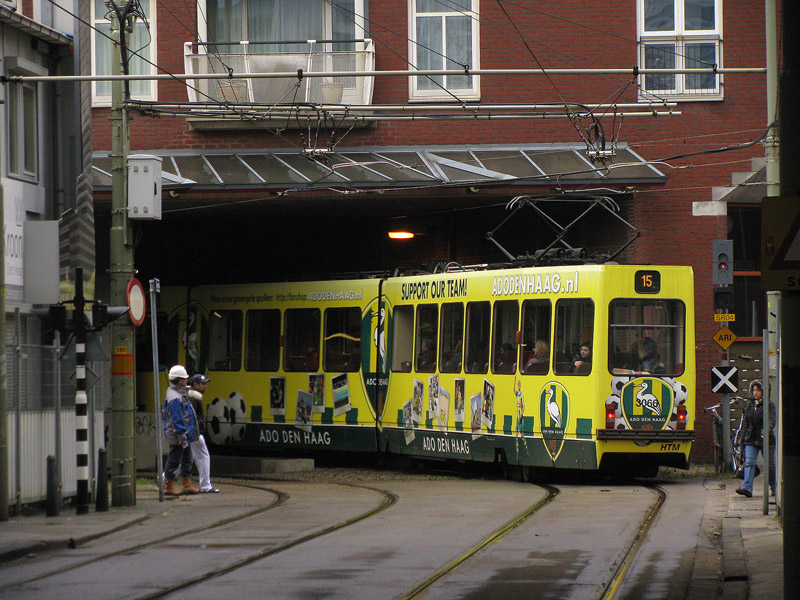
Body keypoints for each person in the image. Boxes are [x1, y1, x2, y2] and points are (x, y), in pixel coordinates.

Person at [736, 380, 776, 498]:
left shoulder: (769, 405)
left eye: (758, 390)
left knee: (770, 465)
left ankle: (774, 487)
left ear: (764, 391)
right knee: (749, 462)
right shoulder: (749, 405)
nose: (756, 393)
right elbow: (746, 423)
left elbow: (771, 420)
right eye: (754, 390)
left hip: (766, 438)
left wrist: (766, 430)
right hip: (751, 438)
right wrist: (742, 440)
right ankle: (747, 487)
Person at [163, 365, 199, 496]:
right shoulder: (174, 397)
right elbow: (176, 419)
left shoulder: (177, 393)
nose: (186, 381)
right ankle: (169, 485)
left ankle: (186, 484)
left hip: (184, 434)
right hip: (179, 435)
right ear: (178, 380)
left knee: (186, 458)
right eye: (184, 379)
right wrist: (182, 436)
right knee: (174, 459)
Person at [187, 374, 219, 494]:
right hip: (195, 433)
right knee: (203, 457)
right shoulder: (193, 398)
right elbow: (192, 416)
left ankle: (164, 478)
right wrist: (197, 429)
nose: (205, 386)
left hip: (193, 432)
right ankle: (205, 485)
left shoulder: (193, 396)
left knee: (186, 459)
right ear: (196, 384)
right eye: (203, 384)